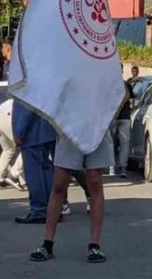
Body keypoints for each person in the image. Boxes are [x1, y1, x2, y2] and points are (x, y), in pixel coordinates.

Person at [30, 93, 124, 263]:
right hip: (70, 127)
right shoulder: (68, 65)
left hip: (97, 128)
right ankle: (47, 244)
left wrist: (109, 116)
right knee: (59, 183)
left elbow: (120, 90)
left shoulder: (104, 65)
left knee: (94, 181)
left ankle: (94, 245)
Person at [12, 102, 57, 224]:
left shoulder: (25, 83)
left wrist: (18, 131)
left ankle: (39, 210)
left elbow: (26, 106)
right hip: (47, 130)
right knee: (46, 170)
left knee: (34, 173)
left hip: (32, 133)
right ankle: (53, 209)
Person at [0, 98, 24, 191]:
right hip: (8, 117)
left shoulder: (17, 98)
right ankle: (14, 175)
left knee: (8, 149)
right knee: (27, 147)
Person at [110, 66, 134, 177]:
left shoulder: (109, 84)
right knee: (124, 143)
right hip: (125, 117)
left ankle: (111, 168)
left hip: (112, 117)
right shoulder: (126, 84)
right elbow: (131, 101)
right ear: (122, 71)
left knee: (111, 142)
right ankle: (123, 168)